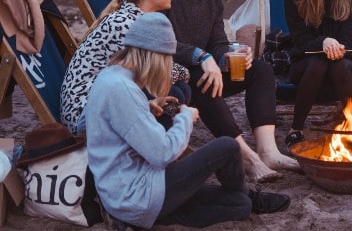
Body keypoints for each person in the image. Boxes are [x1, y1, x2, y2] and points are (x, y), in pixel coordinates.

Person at [82, 13, 290, 229]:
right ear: (154, 54)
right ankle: (249, 195)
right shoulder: (122, 89)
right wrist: (185, 118)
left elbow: (107, 123)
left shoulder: (111, 77)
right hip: (137, 195)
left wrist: (146, 108)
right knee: (227, 147)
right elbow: (162, 154)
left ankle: (158, 216)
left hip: (127, 195)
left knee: (240, 206)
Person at [165, 0, 298, 183]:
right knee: (203, 80)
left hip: (207, 69)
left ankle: (268, 151)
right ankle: (247, 158)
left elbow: (217, 42)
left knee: (260, 69)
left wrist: (227, 55)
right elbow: (160, 42)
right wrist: (201, 56)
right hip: (172, 77)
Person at [60, 0, 191, 135]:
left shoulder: (133, 18)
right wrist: (188, 70)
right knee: (174, 92)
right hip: (86, 114)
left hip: (107, 100)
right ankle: (156, 146)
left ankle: (158, 141)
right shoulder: (125, 24)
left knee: (180, 90)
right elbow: (158, 73)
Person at [282, 0, 352, 147]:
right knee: (318, 62)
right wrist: (323, 42)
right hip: (305, 66)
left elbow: (348, 40)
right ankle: (296, 128)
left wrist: (336, 47)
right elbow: (300, 42)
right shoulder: (294, 1)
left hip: (341, 66)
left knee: (338, 64)